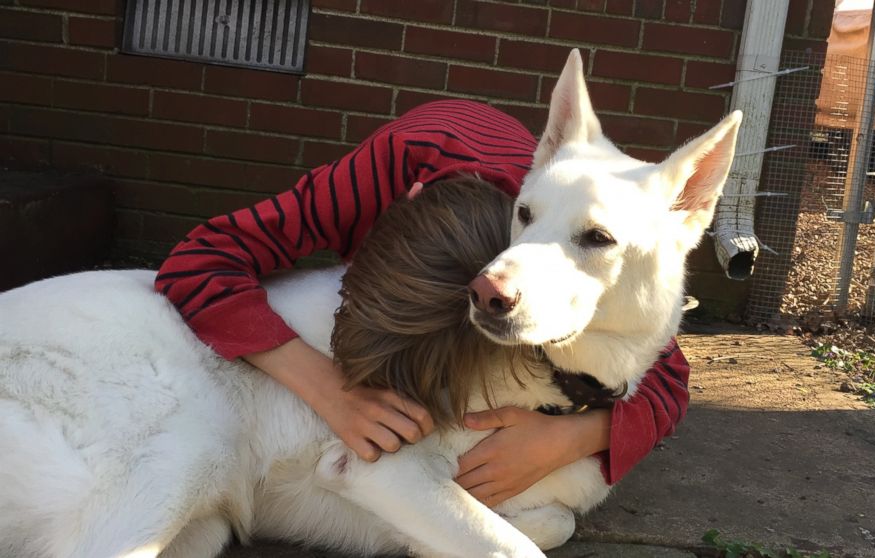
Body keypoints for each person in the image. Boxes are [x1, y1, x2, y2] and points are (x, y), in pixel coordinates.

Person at [155, 99, 691, 507]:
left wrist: (570, 436)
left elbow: (668, 370)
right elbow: (197, 260)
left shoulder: (557, 234)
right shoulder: (376, 175)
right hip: (428, 147)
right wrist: (331, 389)